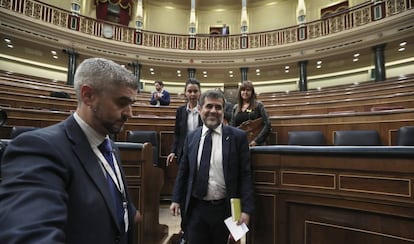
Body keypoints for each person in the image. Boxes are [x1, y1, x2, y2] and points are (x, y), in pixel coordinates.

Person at [0, 58, 142, 244]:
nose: (129, 113)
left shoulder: (109, 147)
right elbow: (29, 233)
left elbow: (110, 198)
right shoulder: (39, 148)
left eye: (131, 103)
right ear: (88, 96)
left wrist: (129, 214)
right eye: (122, 102)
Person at [170, 90, 255, 244]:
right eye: (209, 106)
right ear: (200, 109)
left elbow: (245, 175)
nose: (213, 111)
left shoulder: (238, 137)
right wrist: (176, 198)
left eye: (218, 107)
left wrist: (246, 210)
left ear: (223, 111)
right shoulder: (192, 137)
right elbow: (184, 171)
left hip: (225, 210)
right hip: (196, 208)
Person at [166, 78, 202, 243]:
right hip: (184, 154)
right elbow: (177, 134)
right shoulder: (180, 111)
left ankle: (197, 224)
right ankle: (185, 227)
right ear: (185, 93)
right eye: (190, 91)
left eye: (195, 91)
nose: (192, 94)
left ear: (199, 93)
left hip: (201, 153)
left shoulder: (204, 109)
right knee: (185, 190)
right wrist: (173, 151)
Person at [231, 80, 271, 147]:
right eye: (243, 90)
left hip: (255, 143)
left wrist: (256, 141)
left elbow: (267, 124)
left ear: (252, 92)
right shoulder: (235, 107)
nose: (245, 92)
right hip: (239, 142)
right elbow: (232, 126)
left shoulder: (258, 105)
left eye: (248, 90)